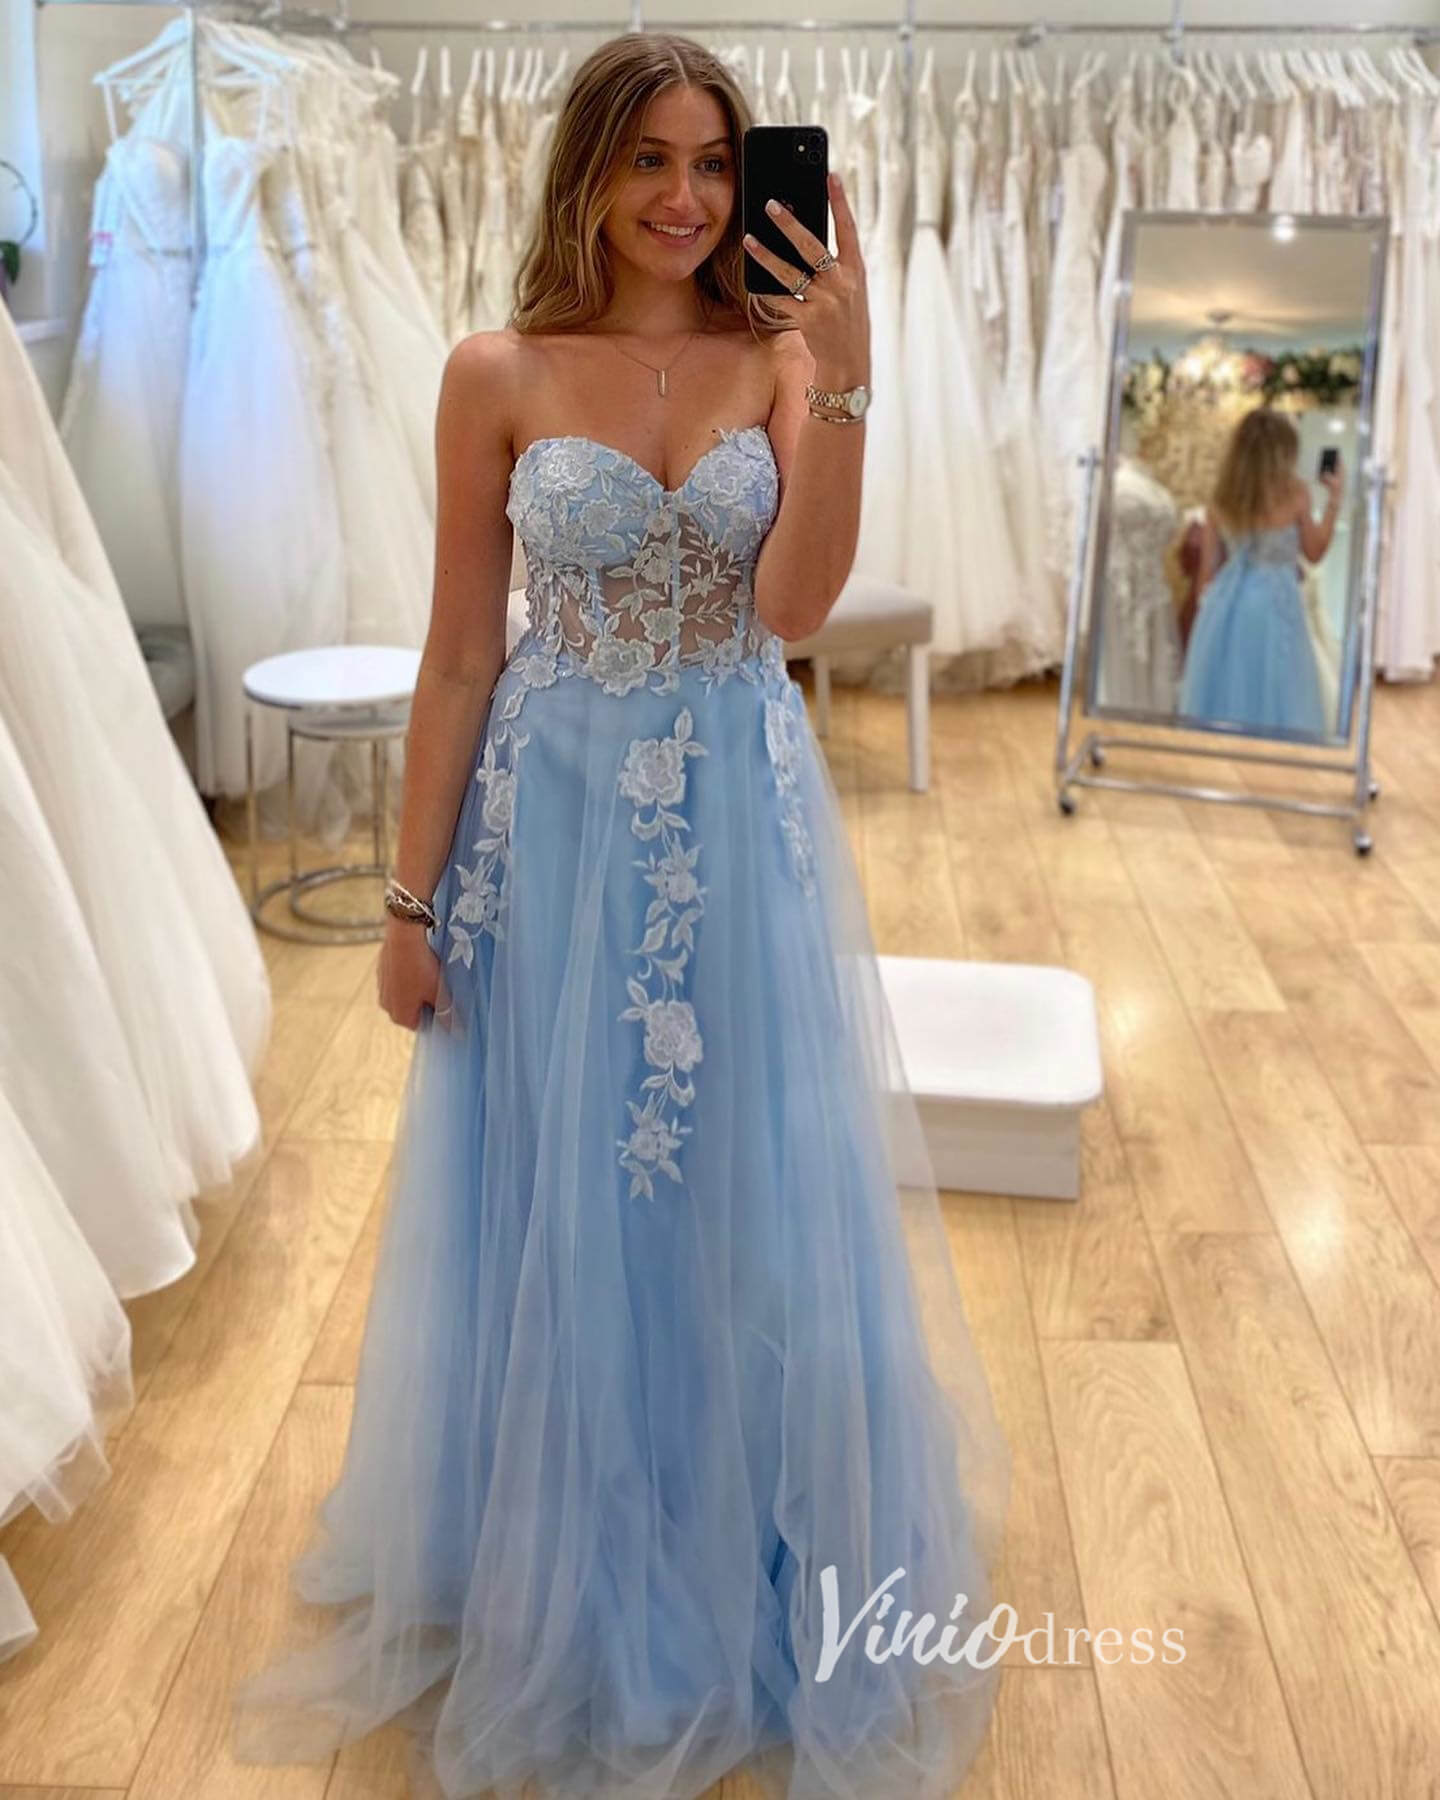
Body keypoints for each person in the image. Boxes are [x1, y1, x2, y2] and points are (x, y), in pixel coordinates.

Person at [233, 34, 1009, 1800]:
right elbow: (457, 651)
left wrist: (848, 383)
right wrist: (409, 899)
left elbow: (793, 609)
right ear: (586, 169)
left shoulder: (779, 360)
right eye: (649, 159)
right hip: (552, 813)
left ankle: (738, 1528)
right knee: (562, 1175)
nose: (687, 197)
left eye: (716, 163)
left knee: (740, 1166)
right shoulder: (494, 373)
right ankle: (569, 1547)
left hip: (734, 806)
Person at [1177, 406, 1343, 736]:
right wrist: (1334, 500)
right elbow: (1314, 553)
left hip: (1229, 605)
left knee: (1231, 684)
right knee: (1278, 688)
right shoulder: (1295, 493)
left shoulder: (1222, 497)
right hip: (1276, 604)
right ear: (1284, 450)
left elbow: (1205, 579)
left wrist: (1208, 622)